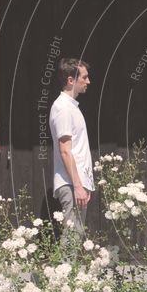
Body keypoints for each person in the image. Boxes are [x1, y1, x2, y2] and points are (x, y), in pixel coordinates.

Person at [50, 58, 94, 240]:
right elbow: (65, 150)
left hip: (75, 182)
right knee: (72, 239)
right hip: (70, 183)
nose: (88, 81)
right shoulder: (63, 108)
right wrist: (77, 186)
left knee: (75, 237)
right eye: (84, 77)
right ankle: (66, 269)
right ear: (70, 80)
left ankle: (69, 268)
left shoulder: (70, 107)